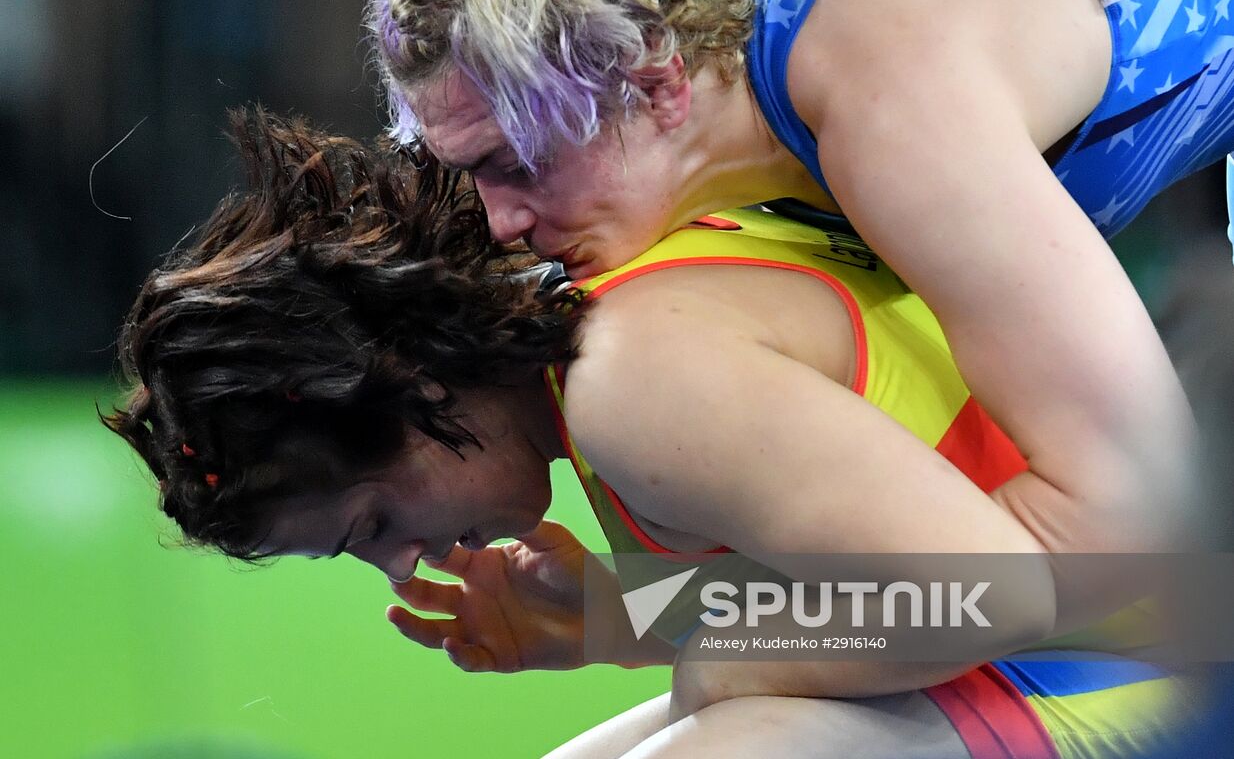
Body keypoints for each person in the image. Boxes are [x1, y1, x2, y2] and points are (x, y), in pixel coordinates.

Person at [103, 111, 1202, 759]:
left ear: (406, 376)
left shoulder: (633, 380)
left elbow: (986, 596)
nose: (406, 561)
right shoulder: (619, 315)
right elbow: (885, 594)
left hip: (1148, 674)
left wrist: (711, 654)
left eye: (374, 521)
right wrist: (616, 617)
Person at [367, 0, 1234, 570]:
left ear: (652, 80)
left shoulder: (889, 112)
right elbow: (945, 586)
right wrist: (634, 622)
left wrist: (679, 634)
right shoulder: (738, 67)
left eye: (518, 162)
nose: (500, 224)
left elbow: (1130, 520)